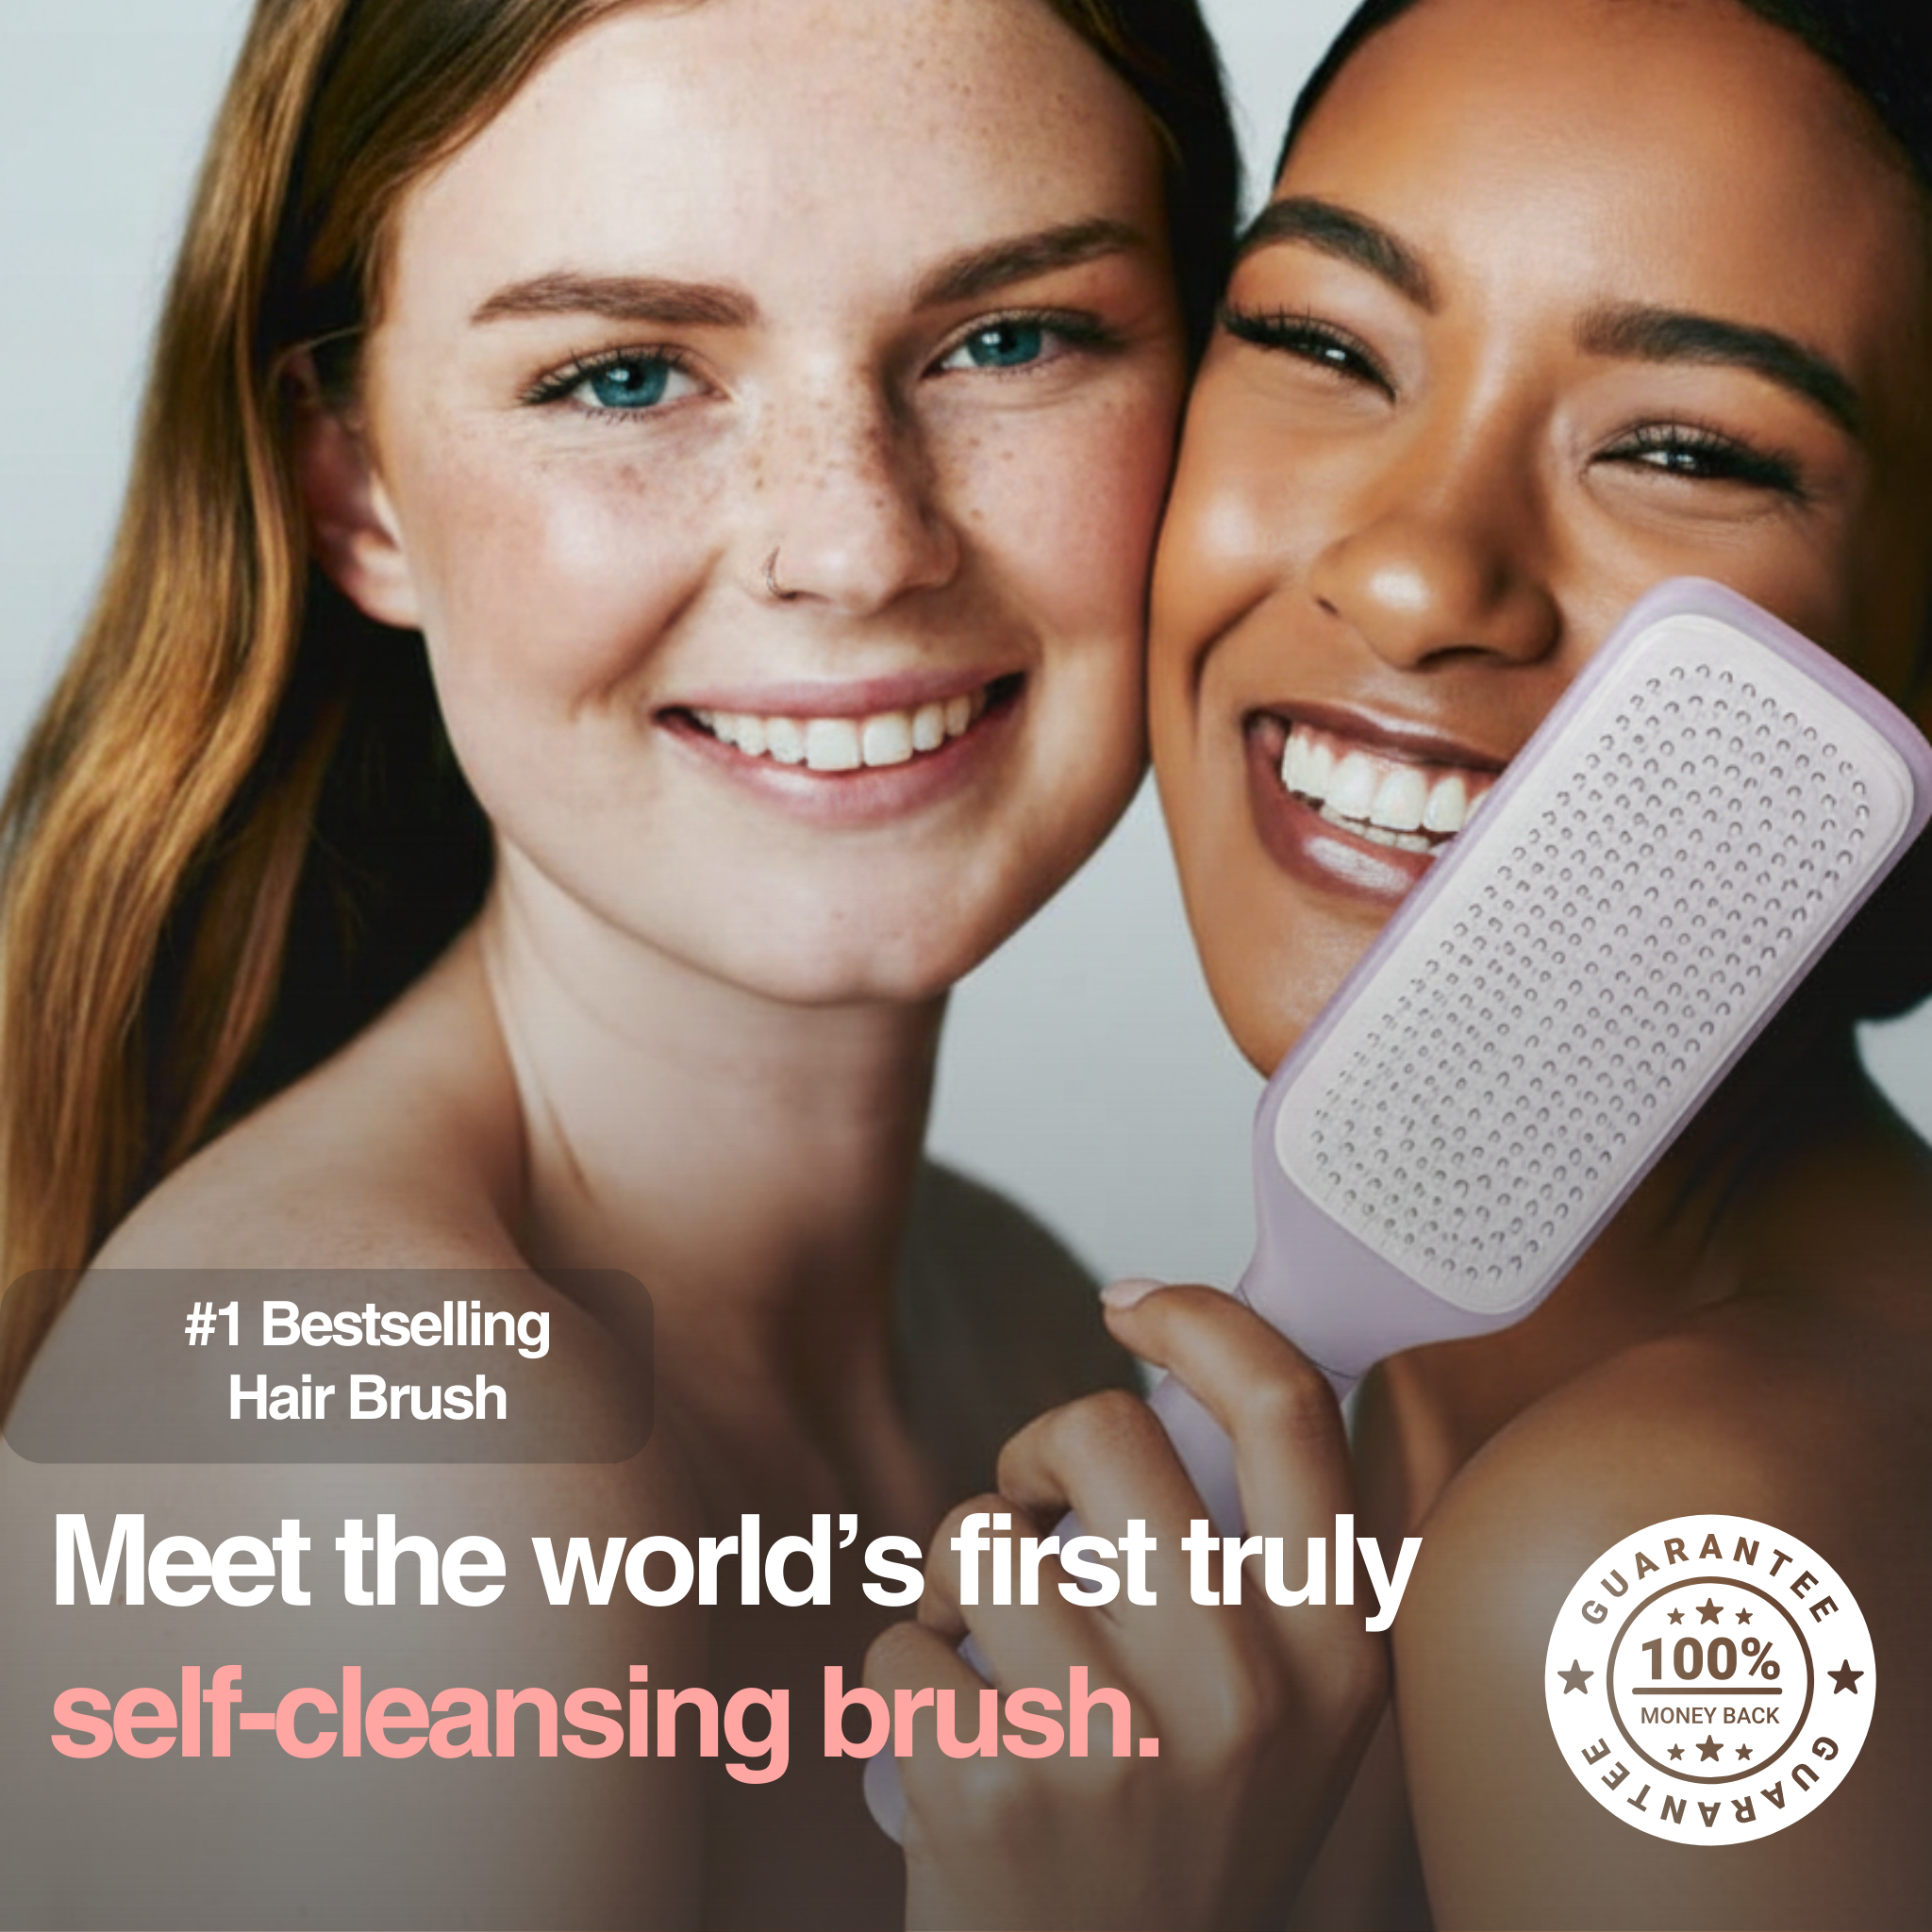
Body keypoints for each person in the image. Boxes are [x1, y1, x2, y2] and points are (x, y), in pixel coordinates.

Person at [0, 1, 1387, 1926]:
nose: (855, 541)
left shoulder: (1004, 1306)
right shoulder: (382, 1466)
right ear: (353, 491)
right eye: (625, 376)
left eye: (1008, 338)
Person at [1146, 0, 1932, 1924]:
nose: (1417, 573)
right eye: (1325, 344)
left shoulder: (1653, 1545)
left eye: (1685, 448)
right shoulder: (1400, 1444)